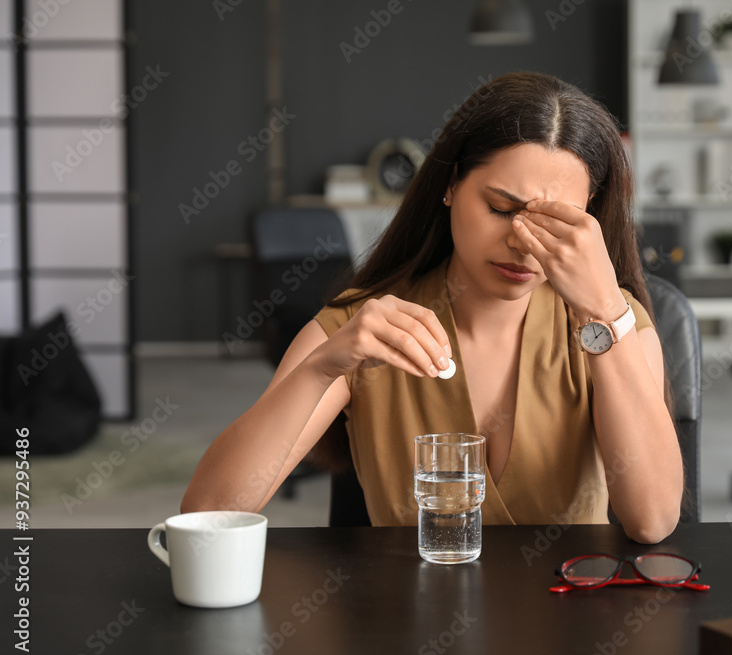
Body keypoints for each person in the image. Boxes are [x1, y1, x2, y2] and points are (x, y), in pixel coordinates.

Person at [181, 71, 684, 543]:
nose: (523, 244)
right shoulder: (360, 326)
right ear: (449, 185)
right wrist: (319, 369)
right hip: (409, 625)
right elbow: (206, 518)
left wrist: (604, 312)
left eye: (557, 221)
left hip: (570, 623)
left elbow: (654, 520)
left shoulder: (615, 325)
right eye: (501, 209)